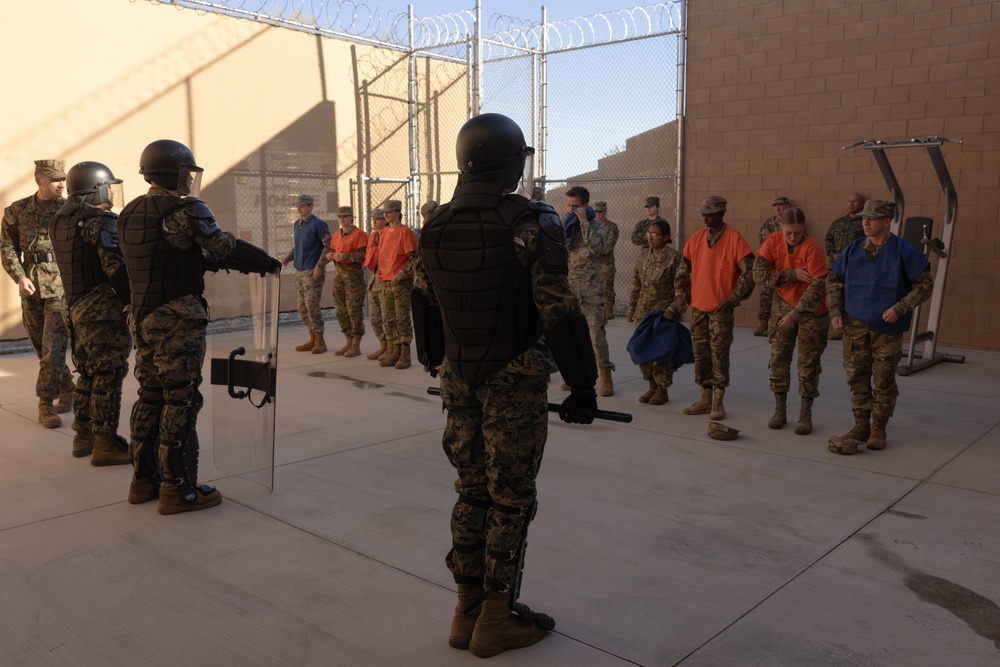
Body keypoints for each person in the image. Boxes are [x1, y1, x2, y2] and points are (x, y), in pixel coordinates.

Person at [413, 112, 597, 659]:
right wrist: (582, 387)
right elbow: (559, 311)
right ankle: (497, 616)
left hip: (459, 376)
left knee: (472, 492)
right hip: (511, 378)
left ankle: (465, 608)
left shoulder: (436, 225)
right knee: (511, 500)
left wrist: (434, 360)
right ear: (511, 162)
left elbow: (423, 299)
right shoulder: (531, 222)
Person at [118, 139, 281, 514]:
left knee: (151, 395)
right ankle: (179, 488)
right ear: (174, 173)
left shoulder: (129, 212)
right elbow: (223, 245)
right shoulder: (185, 210)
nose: (190, 179)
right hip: (177, 320)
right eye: (185, 172)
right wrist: (266, 262)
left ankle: (143, 479)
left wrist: (203, 261)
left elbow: (166, 255)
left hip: (141, 318)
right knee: (182, 399)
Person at [826, 199, 933, 454]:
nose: (865, 222)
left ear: (887, 221)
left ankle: (879, 429)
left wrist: (900, 308)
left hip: (887, 329)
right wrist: (834, 311)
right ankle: (861, 425)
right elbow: (833, 280)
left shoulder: (903, 251)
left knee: (883, 381)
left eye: (872, 218)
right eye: (864, 217)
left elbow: (925, 285)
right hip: (854, 325)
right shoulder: (853, 250)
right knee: (856, 378)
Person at [51, 162, 133, 463]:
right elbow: (116, 269)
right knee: (108, 376)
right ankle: (105, 443)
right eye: (109, 186)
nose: (112, 192)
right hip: (102, 311)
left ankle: (82, 436)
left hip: (74, 307)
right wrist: (135, 304)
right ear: (96, 188)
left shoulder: (60, 219)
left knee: (87, 372)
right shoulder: (100, 220)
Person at [1, 160, 74, 429]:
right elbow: (7, 247)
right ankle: (69, 389)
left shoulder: (70, 210)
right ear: (38, 179)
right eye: (54, 179)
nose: (61, 184)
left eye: (63, 179)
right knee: (42, 350)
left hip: (60, 288)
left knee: (53, 349)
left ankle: (45, 403)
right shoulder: (17, 210)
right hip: (31, 288)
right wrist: (19, 277)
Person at [752, 207, 829, 434]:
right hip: (782, 306)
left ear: (803, 228)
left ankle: (805, 415)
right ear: (781, 228)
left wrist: (795, 316)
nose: (793, 237)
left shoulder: (812, 248)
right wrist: (791, 274)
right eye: (789, 233)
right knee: (778, 360)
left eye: (797, 232)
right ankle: (780, 410)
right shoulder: (773, 241)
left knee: (808, 365)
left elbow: (817, 287)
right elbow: (758, 274)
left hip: (811, 312)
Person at [681, 195, 755, 421]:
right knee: (701, 354)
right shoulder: (696, 239)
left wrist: (733, 298)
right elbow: (682, 269)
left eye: (710, 213)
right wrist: (680, 294)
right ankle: (704, 398)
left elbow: (749, 273)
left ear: (722, 213)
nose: (705, 217)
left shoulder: (734, 240)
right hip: (699, 309)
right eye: (703, 213)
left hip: (720, 311)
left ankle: (718, 401)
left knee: (719, 354)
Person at [626, 219, 689, 405]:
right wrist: (631, 307)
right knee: (643, 351)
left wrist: (673, 308)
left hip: (663, 314)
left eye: (655, 235)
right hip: (643, 312)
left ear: (666, 237)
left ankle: (662, 389)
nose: (650, 238)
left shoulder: (675, 258)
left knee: (661, 352)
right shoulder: (643, 255)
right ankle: (651, 385)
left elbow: (684, 288)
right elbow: (636, 283)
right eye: (648, 234)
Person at [564, 186, 614, 396]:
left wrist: (584, 222)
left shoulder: (596, 225)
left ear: (585, 205)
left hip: (591, 287)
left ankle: (605, 376)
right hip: (572, 286)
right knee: (572, 334)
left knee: (595, 334)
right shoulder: (568, 226)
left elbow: (598, 248)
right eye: (569, 206)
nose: (571, 210)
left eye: (575, 206)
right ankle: (575, 377)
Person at [281, 194, 331, 354]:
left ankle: (320, 341)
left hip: (312, 271)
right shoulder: (297, 224)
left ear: (311, 206)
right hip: (300, 271)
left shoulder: (319, 224)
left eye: (302, 205)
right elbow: (298, 246)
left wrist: (319, 266)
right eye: (297, 206)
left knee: (312, 306)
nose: (299, 208)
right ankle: (312, 338)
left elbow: (328, 247)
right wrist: (288, 258)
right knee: (302, 307)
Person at [376, 199, 418, 369]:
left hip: (400, 282)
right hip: (385, 280)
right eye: (384, 212)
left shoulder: (405, 232)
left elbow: (414, 259)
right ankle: (394, 350)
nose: (385, 215)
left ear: (397, 213)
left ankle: (405, 354)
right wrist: (379, 271)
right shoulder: (384, 232)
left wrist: (402, 273)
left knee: (401, 318)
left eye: (389, 212)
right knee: (388, 318)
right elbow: (383, 255)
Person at [326, 205, 368, 357]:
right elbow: (331, 250)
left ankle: (356, 343)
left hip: (354, 277)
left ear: (351, 217)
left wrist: (346, 256)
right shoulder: (337, 234)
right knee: (341, 310)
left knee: (353, 310)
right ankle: (348, 340)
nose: (342, 219)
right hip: (339, 276)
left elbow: (364, 255)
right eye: (339, 217)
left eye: (345, 216)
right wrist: (330, 256)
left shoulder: (360, 235)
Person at [824, 192, 866, 340]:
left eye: (854, 201)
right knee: (834, 295)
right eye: (849, 201)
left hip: (855, 267)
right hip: (836, 265)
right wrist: (833, 254)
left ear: (861, 204)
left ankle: (850, 328)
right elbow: (828, 240)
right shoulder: (838, 222)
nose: (851, 204)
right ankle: (836, 328)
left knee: (851, 295)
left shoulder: (864, 223)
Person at [754, 196, 791, 336]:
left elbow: (791, 240)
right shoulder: (769, 222)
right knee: (766, 293)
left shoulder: (791, 220)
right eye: (775, 206)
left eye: (781, 205)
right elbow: (763, 239)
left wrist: (773, 238)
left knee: (782, 295)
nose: (778, 208)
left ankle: (773, 325)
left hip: (785, 263)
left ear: (787, 206)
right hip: (770, 263)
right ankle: (762, 322)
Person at [363, 207, 389, 361]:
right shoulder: (373, 236)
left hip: (385, 280)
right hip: (374, 281)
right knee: (375, 318)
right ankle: (383, 346)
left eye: (378, 218)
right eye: (373, 218)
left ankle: (392, 349)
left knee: (387, 318)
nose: (374, 221)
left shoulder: (390, 235)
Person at [593, 201, 620, 320]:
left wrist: (594, 250)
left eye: (600, 211)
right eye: (596, 211)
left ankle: (609, 309)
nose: (598, 214)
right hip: (593, 261)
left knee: (607, 286)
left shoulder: (612, 227)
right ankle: (595, 309)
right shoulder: (591, 225)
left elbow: (609, 245)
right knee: (593, 285)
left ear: (605, 211)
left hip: (606, 263)